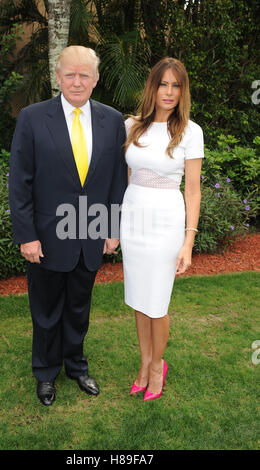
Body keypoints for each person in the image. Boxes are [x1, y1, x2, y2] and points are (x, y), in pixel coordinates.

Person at [9, 46, 127, 406]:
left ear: (95, 79)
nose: (77, 82)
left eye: (85, 75)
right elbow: (20, 182)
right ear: (57, 77)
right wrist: (26, 235)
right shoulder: (32, 118)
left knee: (79, 307)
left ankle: (76, 365)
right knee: (45, 311)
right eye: (70, 75)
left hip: (90, 233)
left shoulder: (112, 120)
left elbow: (115, 181)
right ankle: (45, 372)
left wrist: (112, 229)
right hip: (46, 237)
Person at [120, 57, 204, 401]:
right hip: (133, 219)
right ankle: (143, 362)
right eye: (163, 84)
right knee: (139, 300)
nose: (169, 92)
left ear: (182, 91)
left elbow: (194, 190)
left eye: (176, 85)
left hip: (166, 221)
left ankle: (158, 366)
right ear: (152, 87)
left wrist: (188, 241)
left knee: (157, 302)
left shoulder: (190, 131)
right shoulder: (132, 126)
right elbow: (126, 178)